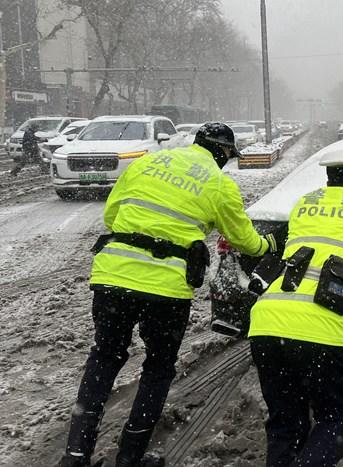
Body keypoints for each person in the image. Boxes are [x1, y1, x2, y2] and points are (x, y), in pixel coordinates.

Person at [58, 122, 280, 467]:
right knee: (158, 368)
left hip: (113, 276)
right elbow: (245, 241)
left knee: (104, 358)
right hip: (165, 289)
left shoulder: (147, 162)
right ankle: (131, 457)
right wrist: (269, 245)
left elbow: (112, 214)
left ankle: (75, 455)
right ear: (222, 152)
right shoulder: (218, 183)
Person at [248, 151, 343, 467]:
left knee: (285, 423)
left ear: (328, 180)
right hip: (321, 329)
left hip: (266, 323)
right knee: (339, 417)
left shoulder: (303, 204)